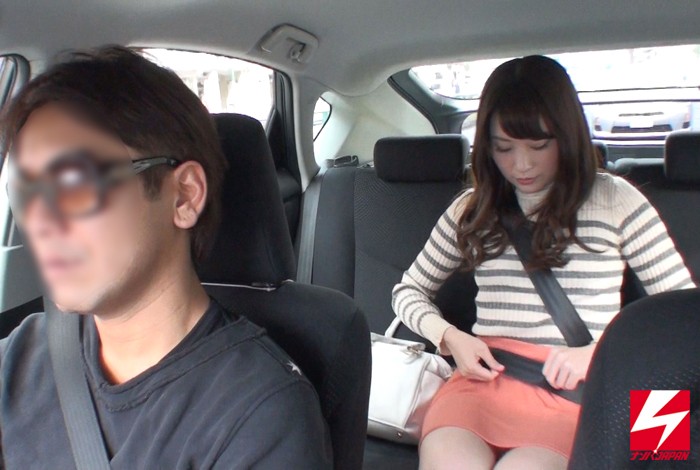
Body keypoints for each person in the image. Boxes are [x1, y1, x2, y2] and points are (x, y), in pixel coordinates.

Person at [0, 46, 332, 469]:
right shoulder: (21, 354)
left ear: (184, 196)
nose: (41, 221)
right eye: (26, 193)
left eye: (74, 183)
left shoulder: (260, 416)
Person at [392, 55, 696, 470]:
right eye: (503, 148)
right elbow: (408, 291)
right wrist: (449, 338)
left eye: (539, 145)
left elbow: (682, 319)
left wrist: (598, 354)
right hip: (480, 386)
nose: (522, 164)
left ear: (567, 136)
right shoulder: (472, 209)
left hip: (577, 392)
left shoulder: (616, 200)